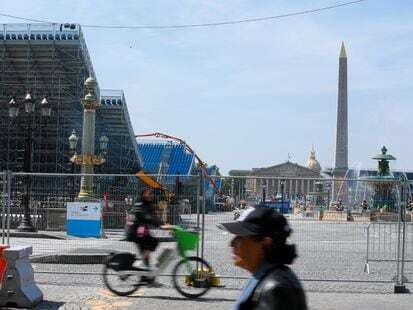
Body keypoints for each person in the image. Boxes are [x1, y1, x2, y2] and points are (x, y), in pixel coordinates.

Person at [218, 206, 307, 310]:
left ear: (265, 243)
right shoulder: (265, 278)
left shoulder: (275, 291)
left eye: (240, 237)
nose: (232, 243)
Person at [125, 189, 170, 276]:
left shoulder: (148, 205)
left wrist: (164, 224)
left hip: (141, 233)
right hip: (134, 233)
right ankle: (139, 262)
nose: (150, 195)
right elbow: (148, 217)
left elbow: (154, 217)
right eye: (148, 194)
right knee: (153, 242)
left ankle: (148, 279)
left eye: (151, 194)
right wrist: (161, 225)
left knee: (147, 256)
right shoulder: (140, 205)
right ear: (143, 195)